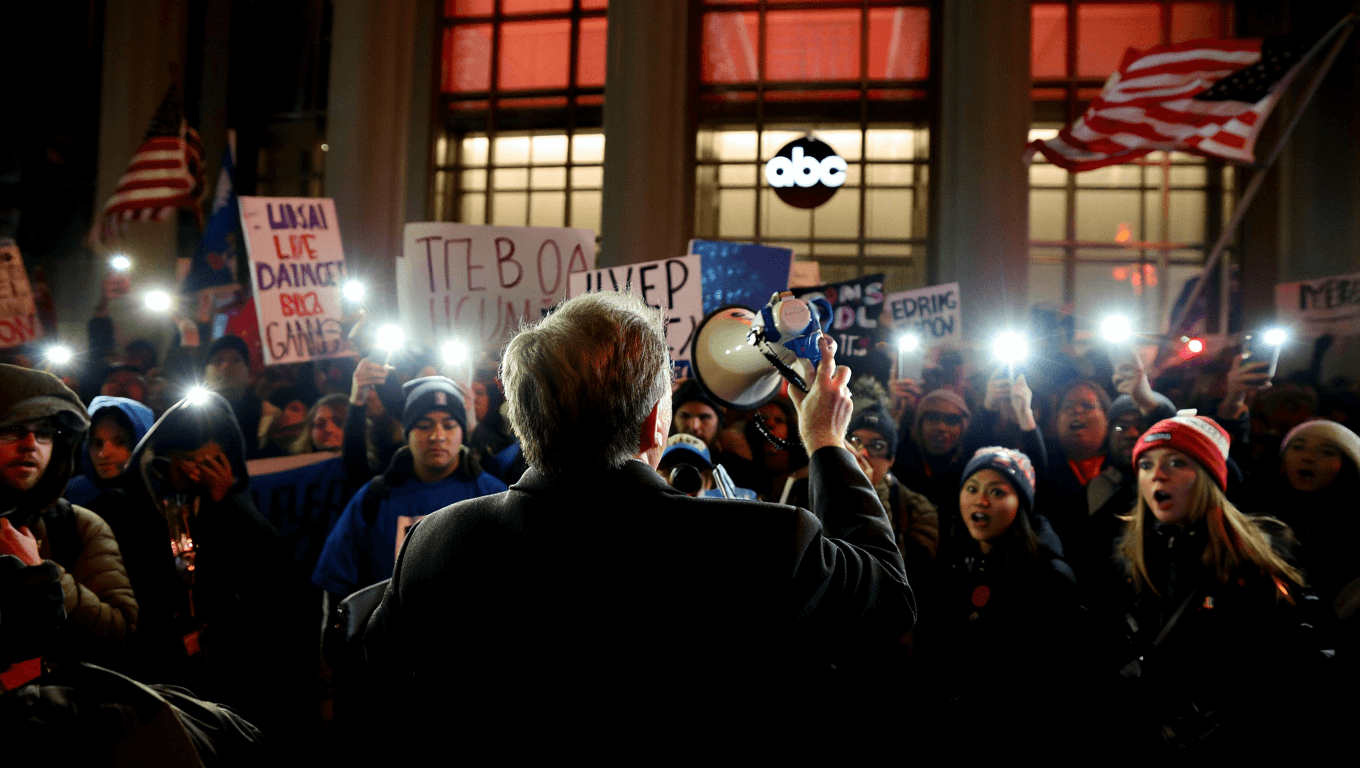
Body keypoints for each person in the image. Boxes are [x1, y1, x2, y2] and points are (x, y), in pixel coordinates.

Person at [361, 291, 915, 747]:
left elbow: (383, 700)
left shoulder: (436, 542)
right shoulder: (764, 542)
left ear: (524, 420)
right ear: (656, 424)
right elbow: (888, 599)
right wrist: (827, 443)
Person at [1110, 411, 1329, 753]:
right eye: (1146, 465)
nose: (1158, 476)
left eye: (1177, 463)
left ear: (1208, 476)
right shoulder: (1132, 551)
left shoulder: (1257, 559)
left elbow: (1299, 669)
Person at [920, 445, 1080, 751]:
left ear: (1021, 503)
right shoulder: (955, 561)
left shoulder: (1050, 577)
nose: (980, 500)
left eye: (997, 492)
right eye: (972, 488)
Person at [312, 376, 507, 600]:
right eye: (424, 426)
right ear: (407, 434)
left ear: (463, 432)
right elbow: (336, 582)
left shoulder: (495, 496)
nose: (437, 436)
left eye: (449, 425)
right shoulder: (374, 497)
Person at [0, 365, 137, 663]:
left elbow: (119, 631)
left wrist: (41, 572)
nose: (31, 444)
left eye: (45, 432)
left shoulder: (79, 525)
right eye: (12, 428)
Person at [892, 388, 972, 521]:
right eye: (933, 418)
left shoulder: (971, 469)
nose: (941, 427)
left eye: (951, 420)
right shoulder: (898, 464)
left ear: (963, 426)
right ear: (919, 423)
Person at [203, 335, 263, 458]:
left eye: (236, 360)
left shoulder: (266, 414)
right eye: (218, 360)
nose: (226, 366)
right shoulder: (189, 412)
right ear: (204, 373)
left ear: (248, 373)